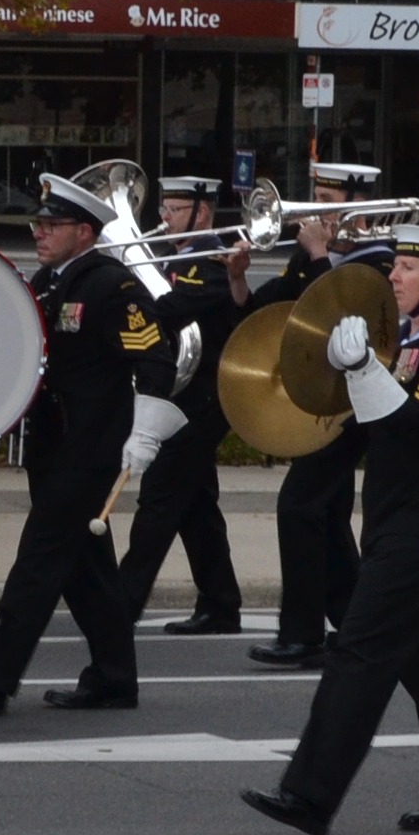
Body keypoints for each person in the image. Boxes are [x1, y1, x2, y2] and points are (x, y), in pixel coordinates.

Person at [242, 223, 419, 835]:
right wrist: (341, 367)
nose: (394, 277)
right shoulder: (401, 342)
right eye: (397, 266)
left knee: (359, 650)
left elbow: (413, 426)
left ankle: (309, 794)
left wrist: (362, 368)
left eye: (409, 268)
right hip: (393, 520)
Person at [0, 174, 177, 714]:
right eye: (37, 224)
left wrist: (146, 432)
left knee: (40, 560)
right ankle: (115, 678)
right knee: (87, 573)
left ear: (86, 232)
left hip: (89, 452)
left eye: (52, 225)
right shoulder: (48, 283)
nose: (40, 233)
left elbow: (156, 359)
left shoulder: (110, 285)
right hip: (54, 447)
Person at [231, 163, 392, 667]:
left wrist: (321, 254)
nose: (313, 209)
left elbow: (342, 321)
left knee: (299, 506)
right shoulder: (310, 258)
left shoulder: (379, 261)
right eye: (314, 196)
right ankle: (354, 623)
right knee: (325, 514)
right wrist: (236, 279)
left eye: (326, 198)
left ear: (356, 206)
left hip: (352, 405)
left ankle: (301, 634)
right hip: (317, 400)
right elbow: (264, 309)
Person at [115, 174, 245, 634]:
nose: (163, 219)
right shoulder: (173, 261)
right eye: (164, 210)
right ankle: (221, 603)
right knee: (196, 505)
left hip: (202, 400)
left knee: (159, 499)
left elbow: (170, 309)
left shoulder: (209, 261)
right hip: (186, 396)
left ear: (201, 214)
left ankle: (120, 605)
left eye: (172, 211)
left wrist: (124, 297)